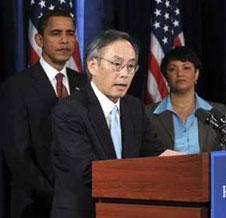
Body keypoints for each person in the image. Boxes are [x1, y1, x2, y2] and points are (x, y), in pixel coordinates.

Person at [50, 29, 179, 218]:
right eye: (117, 64)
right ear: (93, 65)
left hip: (128, 211)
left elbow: (155, 153)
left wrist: (193, 164)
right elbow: (88, 171)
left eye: (131, 66)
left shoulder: (134, 107)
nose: (125, 74)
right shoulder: (69, 111)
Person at [0, 10, 87, 218]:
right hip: (35, 204)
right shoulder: (17, 87)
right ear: (39, 39)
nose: (64, 40)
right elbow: (17, 155)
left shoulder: (85, 85)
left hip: (82, 203)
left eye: (70, 33)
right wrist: (54, 194)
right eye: (56, 33)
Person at [146, 46, 226, 153]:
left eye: (186, 68)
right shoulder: (148, 115)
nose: (180, 74)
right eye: (172, 69)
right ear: (166, 76)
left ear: (196, 74)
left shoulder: (219, 112)